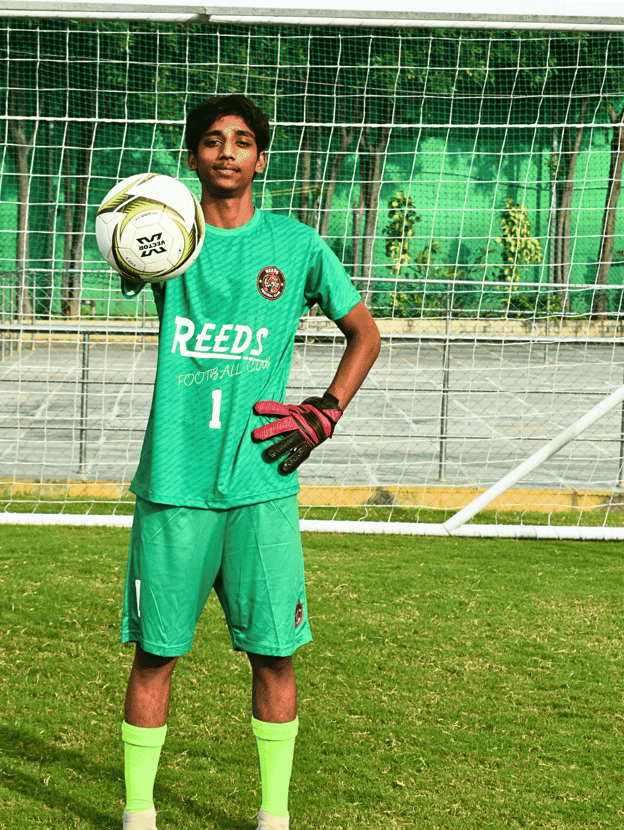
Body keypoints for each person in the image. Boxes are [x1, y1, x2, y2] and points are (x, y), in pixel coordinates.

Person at [118, 94, 381, 830]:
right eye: (210, 141)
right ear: (194, 159)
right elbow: (129, 251)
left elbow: (365, 333)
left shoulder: (296, 247)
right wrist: (134, 217)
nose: (227, 151)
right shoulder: (167, 243)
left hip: (263, 484)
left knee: (275, 657)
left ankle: (275, 817)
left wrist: (324, 412)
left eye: (241, 142)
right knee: (154, 656)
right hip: (174, 482)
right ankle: (139, 815)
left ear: (261, 159)